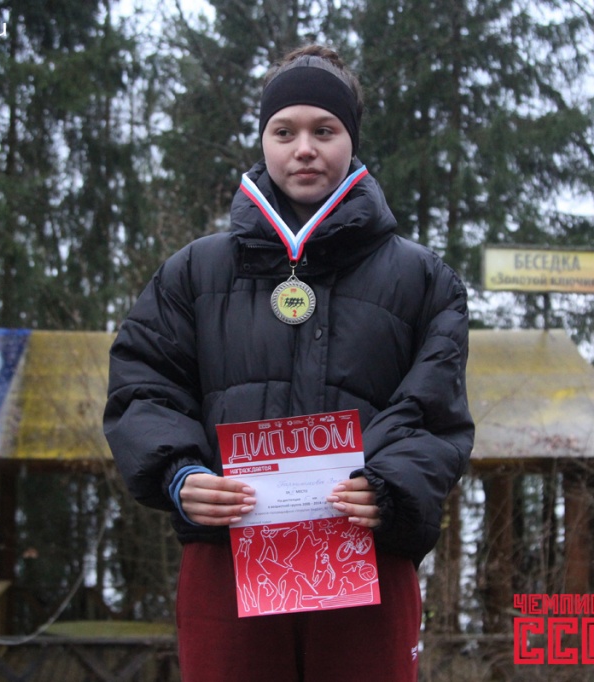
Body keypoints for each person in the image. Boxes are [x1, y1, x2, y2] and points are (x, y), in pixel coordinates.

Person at [104, 43, 474, 682]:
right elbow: (143, 385)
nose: (304, 148)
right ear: (263, 140)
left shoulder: (424, 280)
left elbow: (434, 414)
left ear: (351, 141)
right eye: (285, 131)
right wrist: (179, 474)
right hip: (227, 561)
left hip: (367, 554)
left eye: (324, 131)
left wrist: (387, 487)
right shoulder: (194, 272)